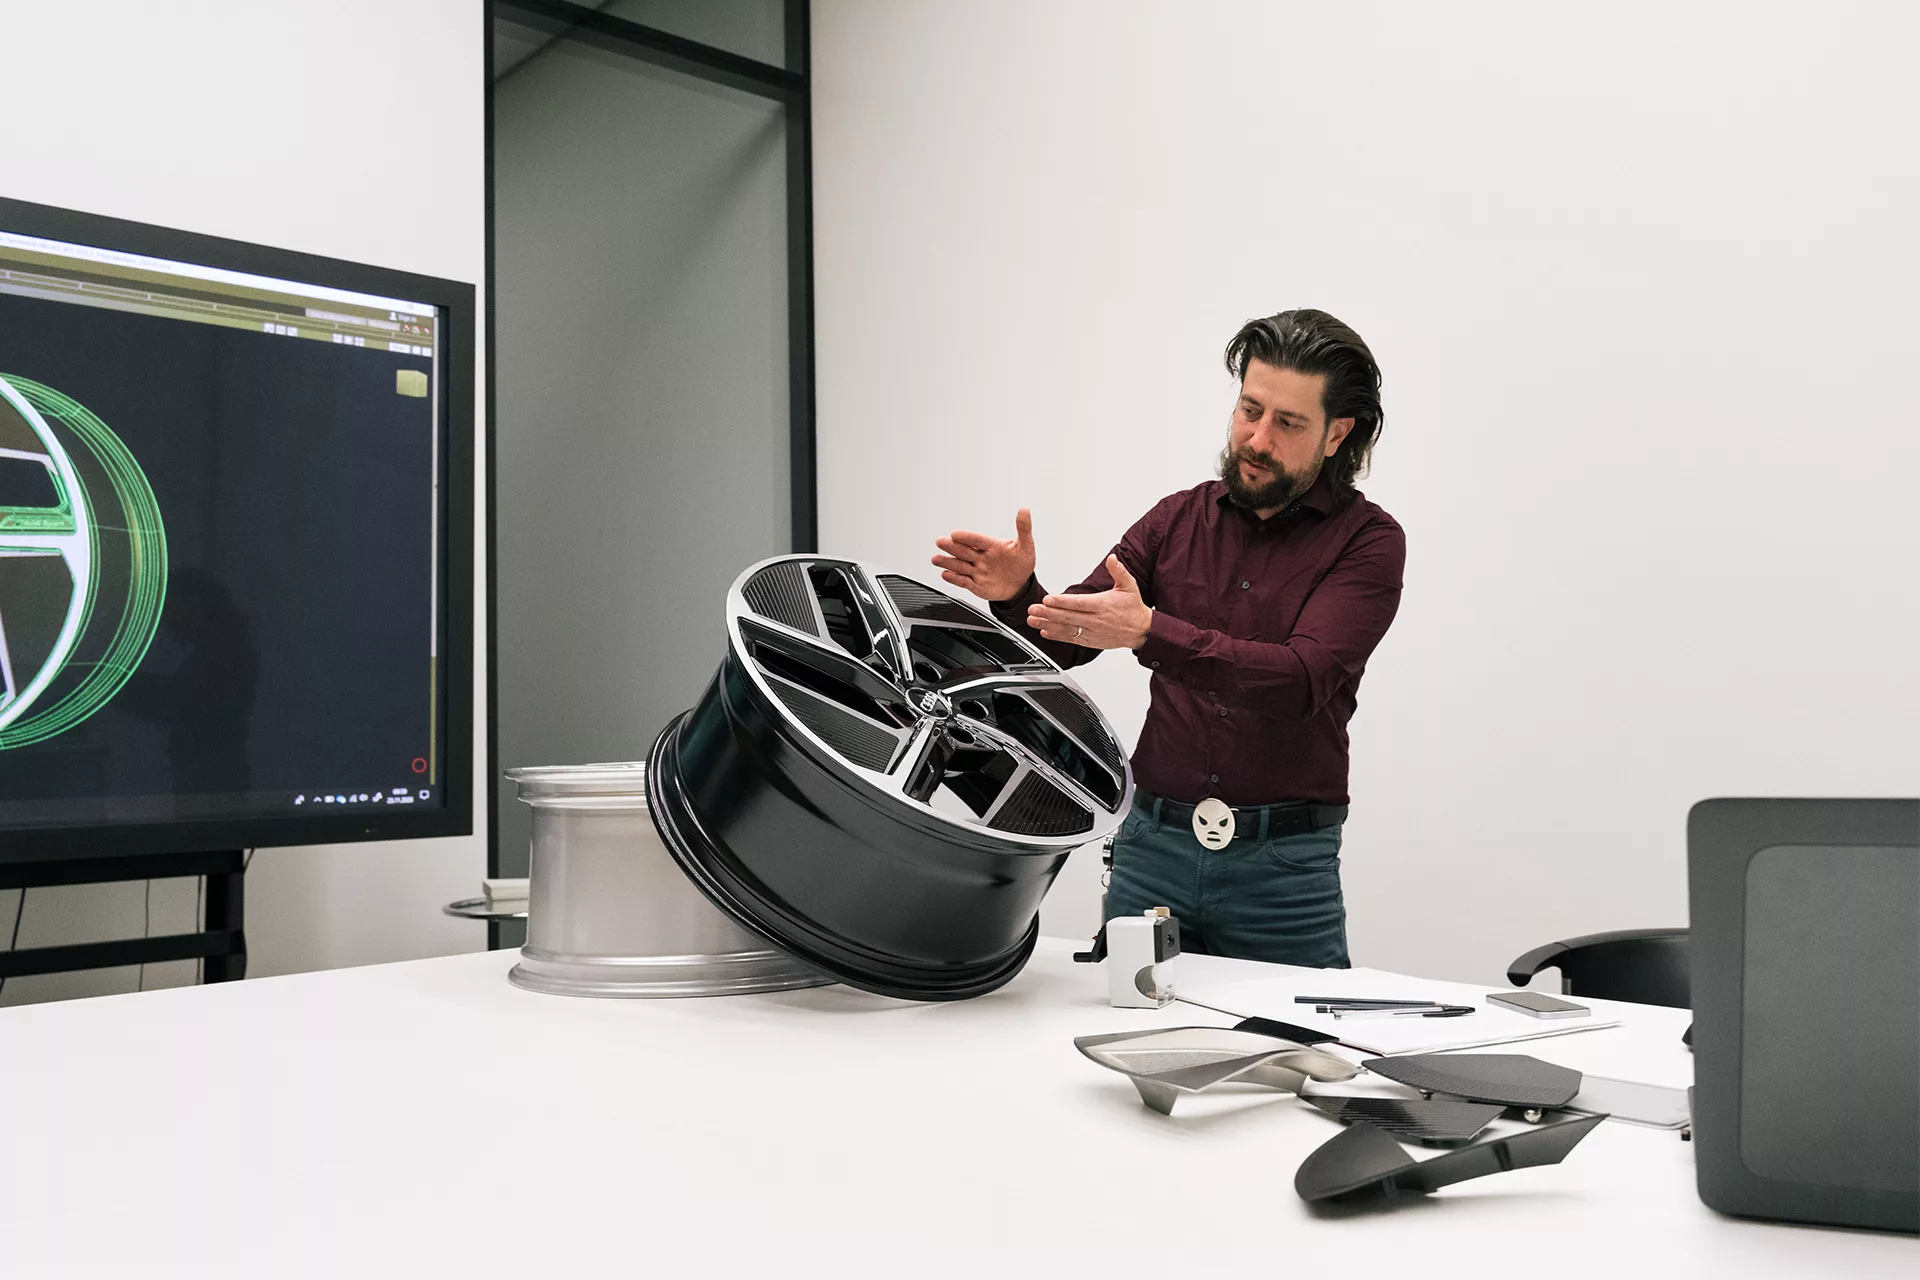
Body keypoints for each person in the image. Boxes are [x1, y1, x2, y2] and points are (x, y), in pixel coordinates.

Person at [931, 309, 1404, 967]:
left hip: (1283, 873)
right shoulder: (1177, 519)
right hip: (1153, 851)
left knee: (1293, 1028)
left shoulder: (1368, 543)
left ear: (1336, 435)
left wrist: (1152, 633)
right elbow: (1071, 637)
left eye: (1288, 423)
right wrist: (1019, 594)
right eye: (1250, 410)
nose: (1258, 438)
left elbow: (1301, 680)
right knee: (1124, 1019)